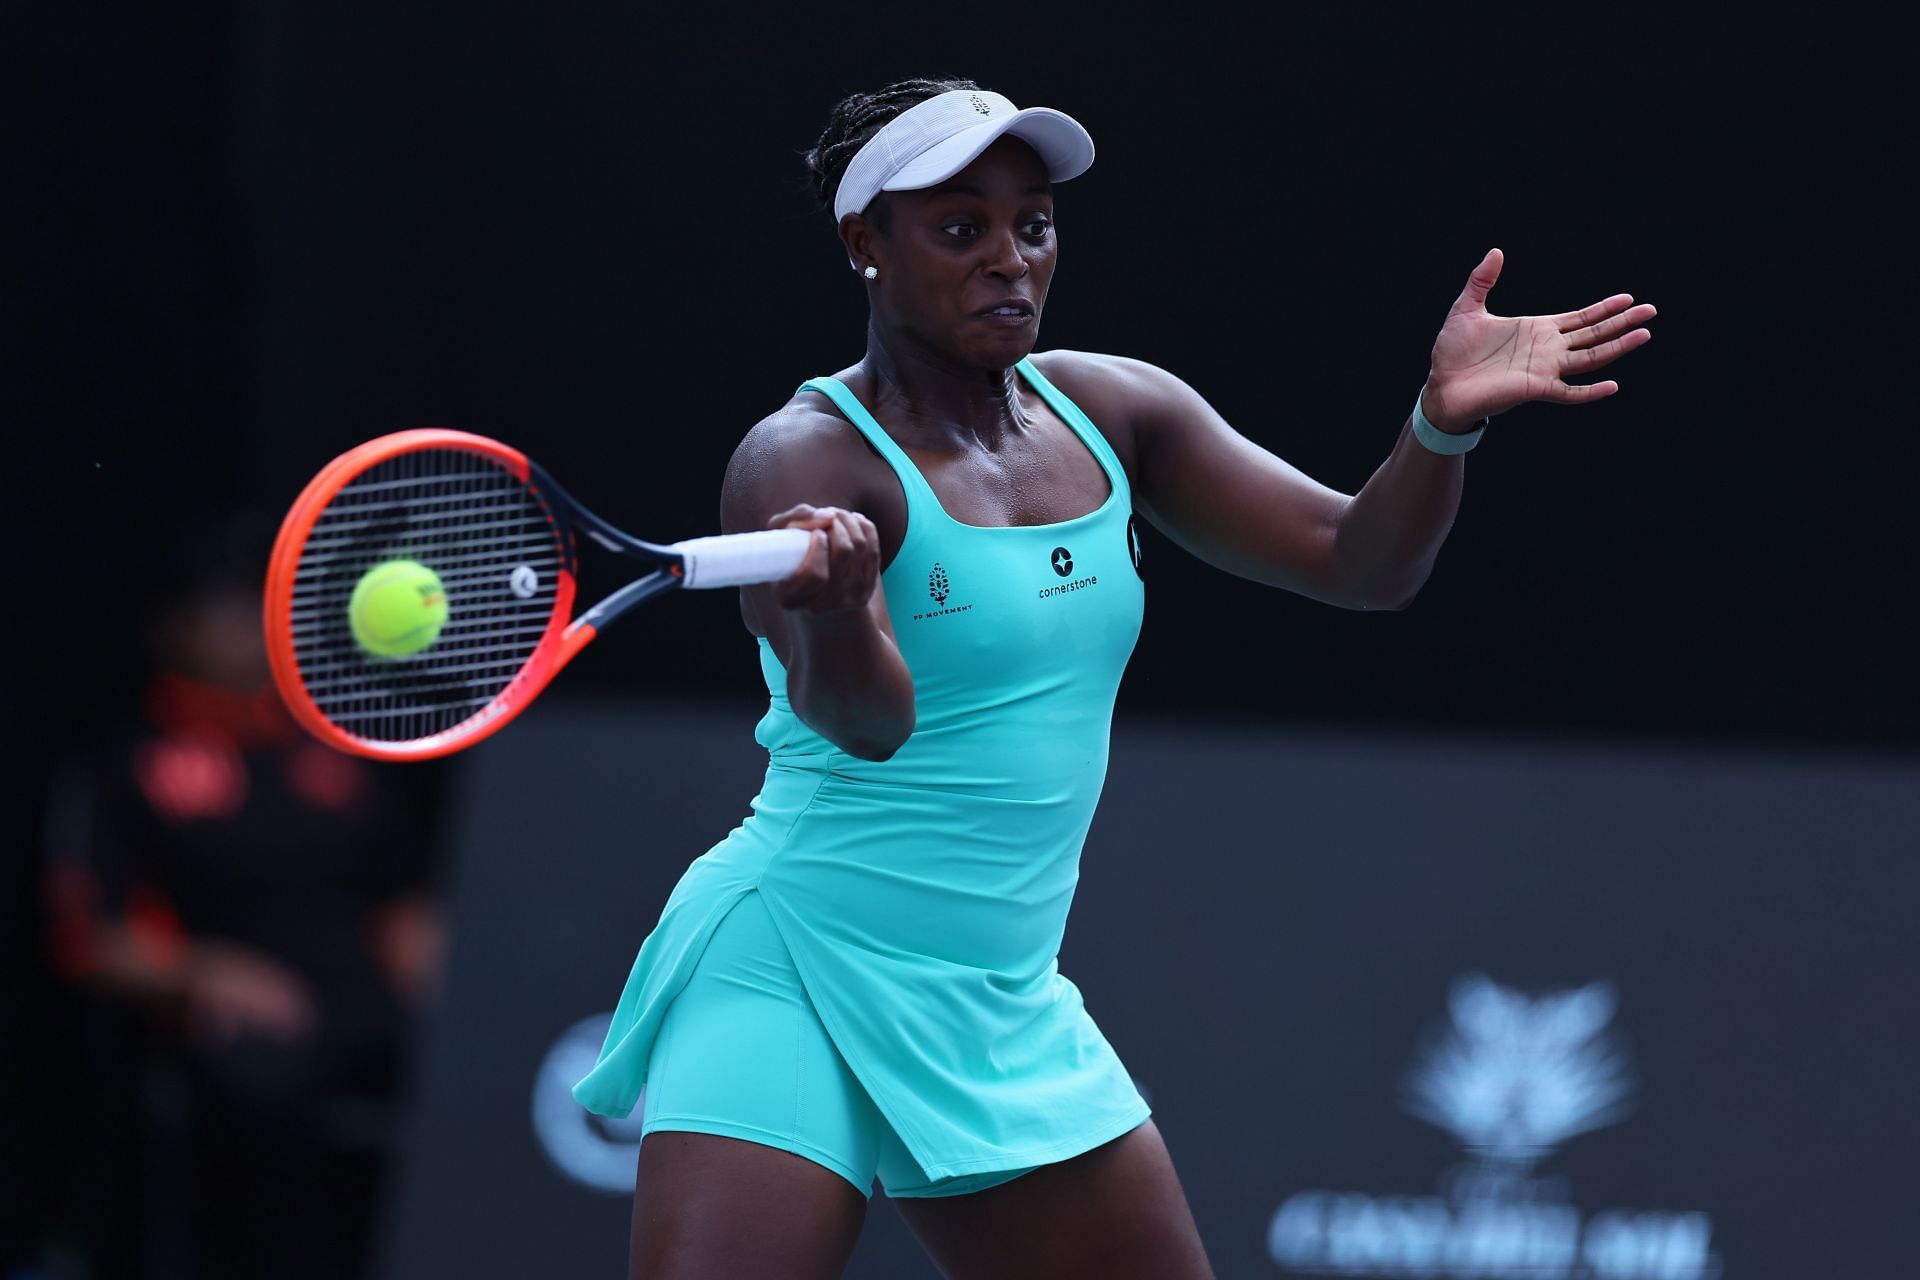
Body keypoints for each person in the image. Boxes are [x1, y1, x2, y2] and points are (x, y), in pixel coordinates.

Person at [573, 77, 1655, 1279]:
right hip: (792, 960)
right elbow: (863, 722)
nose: (1009, 259)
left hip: (996, 998)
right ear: (863, 242)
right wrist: (835, 612)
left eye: (1032, 223)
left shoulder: (1113, 410)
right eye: (960, 226)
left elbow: (1361, 561)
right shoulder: (805, 457)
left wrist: (1441, 426)